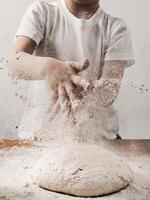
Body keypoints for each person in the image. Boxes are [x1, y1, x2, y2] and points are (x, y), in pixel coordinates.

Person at [9, 0, 135, 140]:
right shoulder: (42, 11)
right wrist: (51, 67)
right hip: (39, 136)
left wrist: (85, 94)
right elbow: (15, 62)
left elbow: (110, 89)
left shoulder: (116, 28)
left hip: (98, 139)